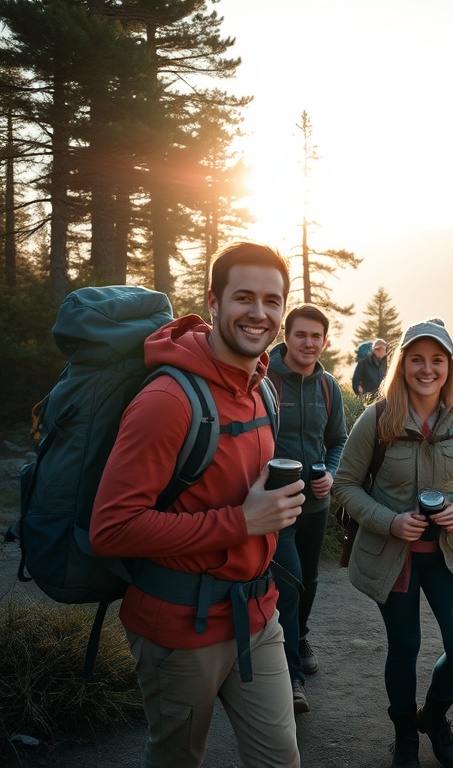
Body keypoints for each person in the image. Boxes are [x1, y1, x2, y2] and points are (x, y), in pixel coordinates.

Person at [91, 242, 302, 768]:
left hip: (257, 616)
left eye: (272, 301)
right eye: (244, 297)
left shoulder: (262, 388)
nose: (260, 313)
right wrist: (243, 521)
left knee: (281, 760)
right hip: (180, 630)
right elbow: (111, 529)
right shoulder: (168, 401)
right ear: (213, 301)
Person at [336, 318, 453, 768]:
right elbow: (345, 484)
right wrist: (389, 521)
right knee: (404, 647)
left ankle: (434, 715)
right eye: (416, 360)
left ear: (449, 366)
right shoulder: (377, 418)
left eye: (436, 360)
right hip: (396, 561)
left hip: (450, 558)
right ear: (401, 364)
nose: (426, 369)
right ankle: (405, 734)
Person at [267, 304, 348, 714]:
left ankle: (299, 638)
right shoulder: (264, 380)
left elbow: (338, 441)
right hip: (275, 504)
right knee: (291, 582)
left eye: (317, 336)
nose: (309, 343)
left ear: (325, 340)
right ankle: (292, 676)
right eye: (301, 335)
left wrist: (331, 474)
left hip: (315, 504)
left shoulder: (328, 387)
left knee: (310, 579)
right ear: (287, 335)